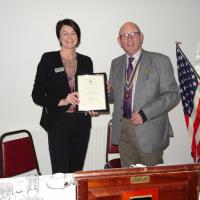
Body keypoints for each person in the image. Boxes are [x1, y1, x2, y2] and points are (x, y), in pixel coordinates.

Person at [108, 21, 180, 167]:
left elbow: (172, 94)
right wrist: (107, 93)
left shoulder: (160, 61)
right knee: (128, 177)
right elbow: (114, 98)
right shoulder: (116, 63)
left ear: (141, 37)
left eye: (134, 34)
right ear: (119, 41)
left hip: (149, 128)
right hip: (123, 130)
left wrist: (145, 113)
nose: (130, 39)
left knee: (150, 179)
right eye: (125, 35)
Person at [32, 19, 96, 173]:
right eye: (65, 33)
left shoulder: (87, 61)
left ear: (78, 36)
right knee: (60, 173)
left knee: (76, 172)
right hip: (58, 122)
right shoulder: (48, 59)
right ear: (59, 37)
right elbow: (37, 95)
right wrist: (62, 100)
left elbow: (88, 91)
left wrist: (93, 105)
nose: (69, 37)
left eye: (73, 33)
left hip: (81, 122)